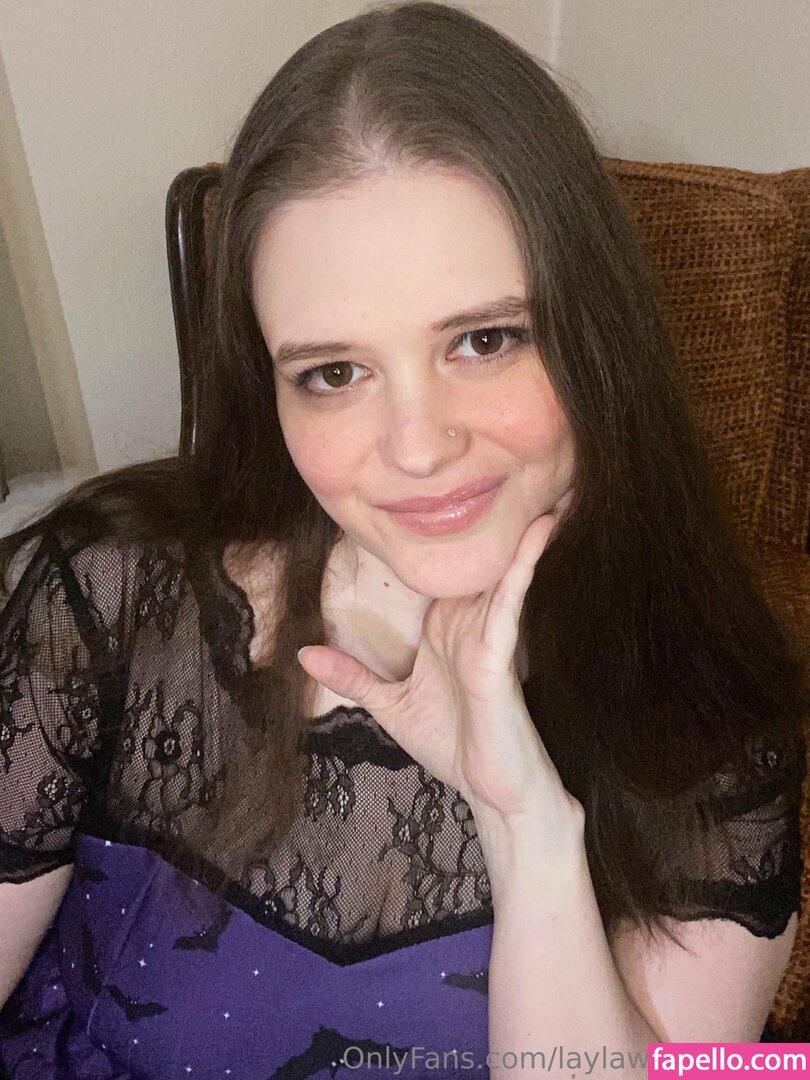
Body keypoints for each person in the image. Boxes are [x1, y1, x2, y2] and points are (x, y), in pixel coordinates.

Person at [0, 1, 807, 1076]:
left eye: (486, 339)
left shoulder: (710, 708)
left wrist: (524, 827)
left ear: (596, 336)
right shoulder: (109, 597)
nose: (418, 448)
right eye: (334, 372)